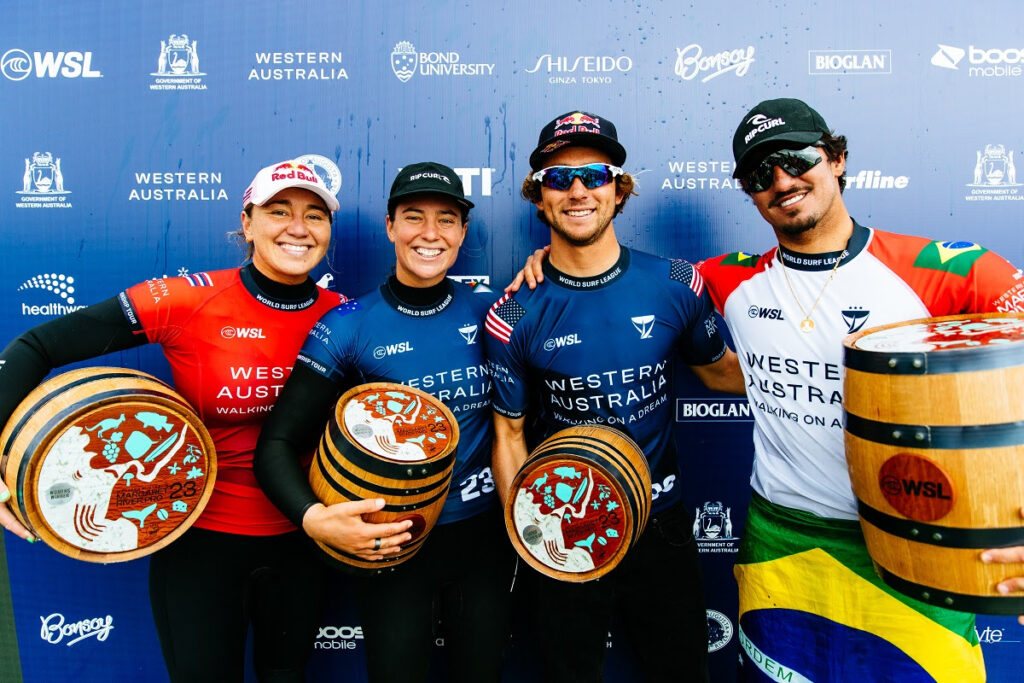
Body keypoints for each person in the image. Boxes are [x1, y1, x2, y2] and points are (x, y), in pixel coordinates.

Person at [513, 100, 1024, 679]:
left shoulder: (949, 269)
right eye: (760, 174)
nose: (781, 181)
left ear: (836, 159)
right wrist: (551, 263)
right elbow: (615, 278)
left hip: (906, 545)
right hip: (779, 543)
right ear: (749, 192)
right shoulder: (724, 278)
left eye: (796, 159)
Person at [0, 158, 402, 682]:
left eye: (315, 215)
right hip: (197, 541)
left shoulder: (345, 315)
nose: (298, 228)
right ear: (248, 221)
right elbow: (36, 345)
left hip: (303, 539)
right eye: (279, 210)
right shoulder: (189, 298)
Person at [485, 111, 744, 683]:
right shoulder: (511, 314)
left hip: (661, 523)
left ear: (618, 190)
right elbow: (508, 435)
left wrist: (835, 374)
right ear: (540, 199)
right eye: (558, 179)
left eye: (595, 175)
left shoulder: (677, 282)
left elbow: (726, 375)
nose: (578, 190)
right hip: (564, 528)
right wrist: (532, 536)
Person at [254, 162, 514, 683]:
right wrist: (312, 518)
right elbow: (277, 445)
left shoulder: (494, 312)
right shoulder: (347, 325)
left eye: (447, 220)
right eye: (413, 217)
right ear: (390, 227)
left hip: (484, 544)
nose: (430, 234)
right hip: (389, 546)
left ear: (463, 232)